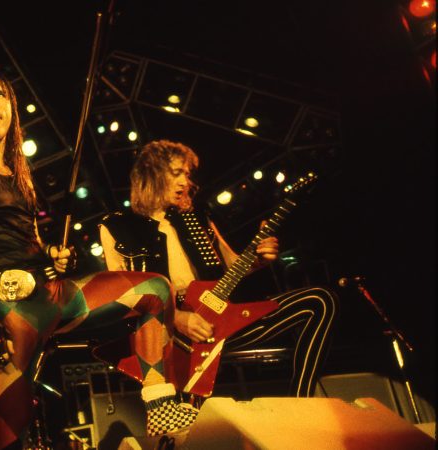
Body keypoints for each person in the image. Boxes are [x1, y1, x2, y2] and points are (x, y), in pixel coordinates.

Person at [0, 69, 198, 449]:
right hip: (7, 309)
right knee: (11, 425)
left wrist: (53, 258)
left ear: (12, 110)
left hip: (50, 295)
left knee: (155, 290)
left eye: (0, 95)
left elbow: (32, 242)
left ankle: (160, 403)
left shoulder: (19, 174)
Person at [98, 139, 338, 398]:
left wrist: (259, 259)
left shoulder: (196, 215)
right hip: (165, 337)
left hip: (218, 319)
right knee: (189, 415)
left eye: (187, 175)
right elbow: (122, 295)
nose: (185, 182)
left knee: (320, 301)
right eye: (177, 173)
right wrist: (176, 318)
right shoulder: (116, 227)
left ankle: (302, 398)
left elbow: (233, 264)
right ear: (151, 173)